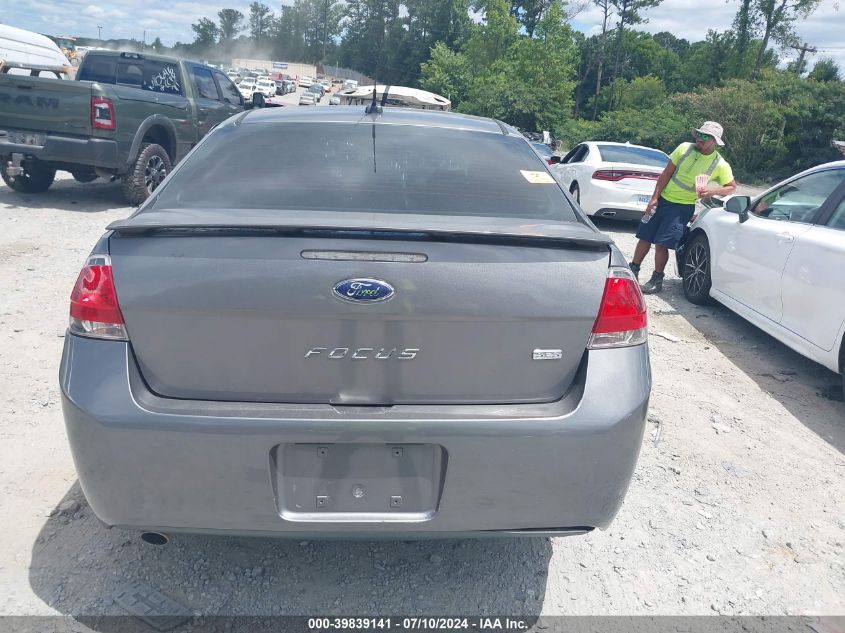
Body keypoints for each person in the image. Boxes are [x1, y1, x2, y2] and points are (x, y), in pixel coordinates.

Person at [630, 121, 737, 294]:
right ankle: (632, 271)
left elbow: (731, 186)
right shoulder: (684, 148)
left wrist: (711, 190)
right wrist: (654, 198)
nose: (700, 139)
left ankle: (657, 280)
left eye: (705, 137)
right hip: (663, 200)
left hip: (682, 207)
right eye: (699, 135)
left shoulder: (720, 164)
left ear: (714, 142)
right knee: (644, 236)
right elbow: (666, 173)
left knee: (661, 243)